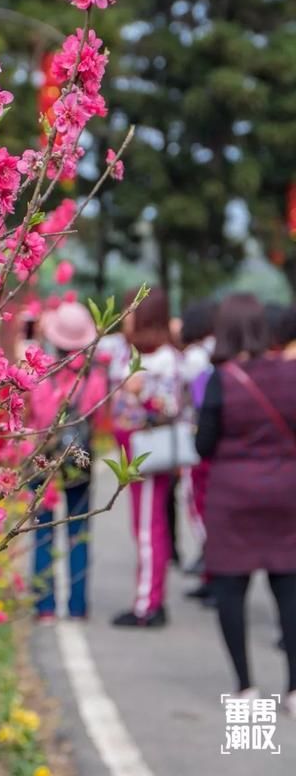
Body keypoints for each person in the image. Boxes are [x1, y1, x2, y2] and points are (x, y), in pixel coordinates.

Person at [196, 293, 296, 714]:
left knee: (231, 588)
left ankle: (245, 686)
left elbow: (204, 445)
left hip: (233, 495)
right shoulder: (291, 374)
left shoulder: (222, 378)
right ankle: (294, 687)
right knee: (289, 590)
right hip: (287, 492)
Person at [29, 300, 107, 622]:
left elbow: (34, 415)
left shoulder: (39, 373)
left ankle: (43, 606)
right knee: (79, 528)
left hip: (43, 453)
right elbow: (98, 418)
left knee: (42, 530)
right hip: (79, 451)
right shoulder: (95, 377)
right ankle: (77, 606)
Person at [111, 287, 184, 628]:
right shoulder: (147, 354)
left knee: (147, 529)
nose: (124, 318)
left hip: (147, 453)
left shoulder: (158, 360)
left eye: (130, 311)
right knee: (146, 526)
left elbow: (169, 408)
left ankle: (148, 604)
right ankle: (151, 598)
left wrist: (139, 393)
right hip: (138, 452)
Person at [180, 299, 217, 601]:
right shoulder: (222, 349)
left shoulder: (192, 357)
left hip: (197, 437)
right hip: (220, 440)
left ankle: (211, 567)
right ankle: (212, 573)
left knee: (197, 506)